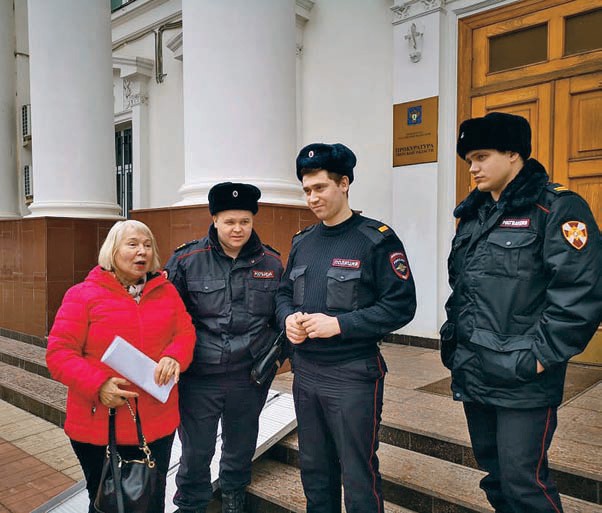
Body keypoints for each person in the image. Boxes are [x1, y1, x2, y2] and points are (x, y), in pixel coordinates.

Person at [441, 112, 601, 513]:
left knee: (524, 482)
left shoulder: (556, 209)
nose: (473, 168)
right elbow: (463, 288)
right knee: (496, 477)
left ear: (513, 153)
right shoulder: (473, 215)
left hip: (524, 376)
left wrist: (540, 357)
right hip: (476, 367)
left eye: (481, 157)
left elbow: (580, 293)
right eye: (469, 160)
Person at [275, 143, 417, 513]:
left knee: (358, 476)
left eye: (320, 187)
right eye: (307, 190)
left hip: (352, 375)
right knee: (315, 472)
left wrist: (340, 324)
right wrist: (287, 318)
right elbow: (284, 293)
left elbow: (401, 305)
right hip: (306, 373)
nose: (312, 198)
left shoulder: (375, 239)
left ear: (344, 183)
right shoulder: (303, 242)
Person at [46, 219, 196, 513]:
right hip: (100, 426)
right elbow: (59, 353)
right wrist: (98, 385)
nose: (142, 251)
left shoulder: (166, 292)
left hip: (157, 423)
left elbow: (186, 333)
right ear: (112, 251)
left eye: (148, 245)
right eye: (133, 244)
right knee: (107, 502)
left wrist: (175, 355)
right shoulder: (82, 295)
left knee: (151, 500)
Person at [164, 182, 284, 513]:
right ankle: (191, 504)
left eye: (245, 221)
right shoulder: (186, 260)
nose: (237, 229)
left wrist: (274, 360)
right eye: (229, 221)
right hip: (199, 377)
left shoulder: (271, 263)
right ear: (214, 219)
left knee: (240, 445)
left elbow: (282, 316)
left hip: (249, 377)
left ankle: (233, 498)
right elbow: (167, 316)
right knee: (196, 450)